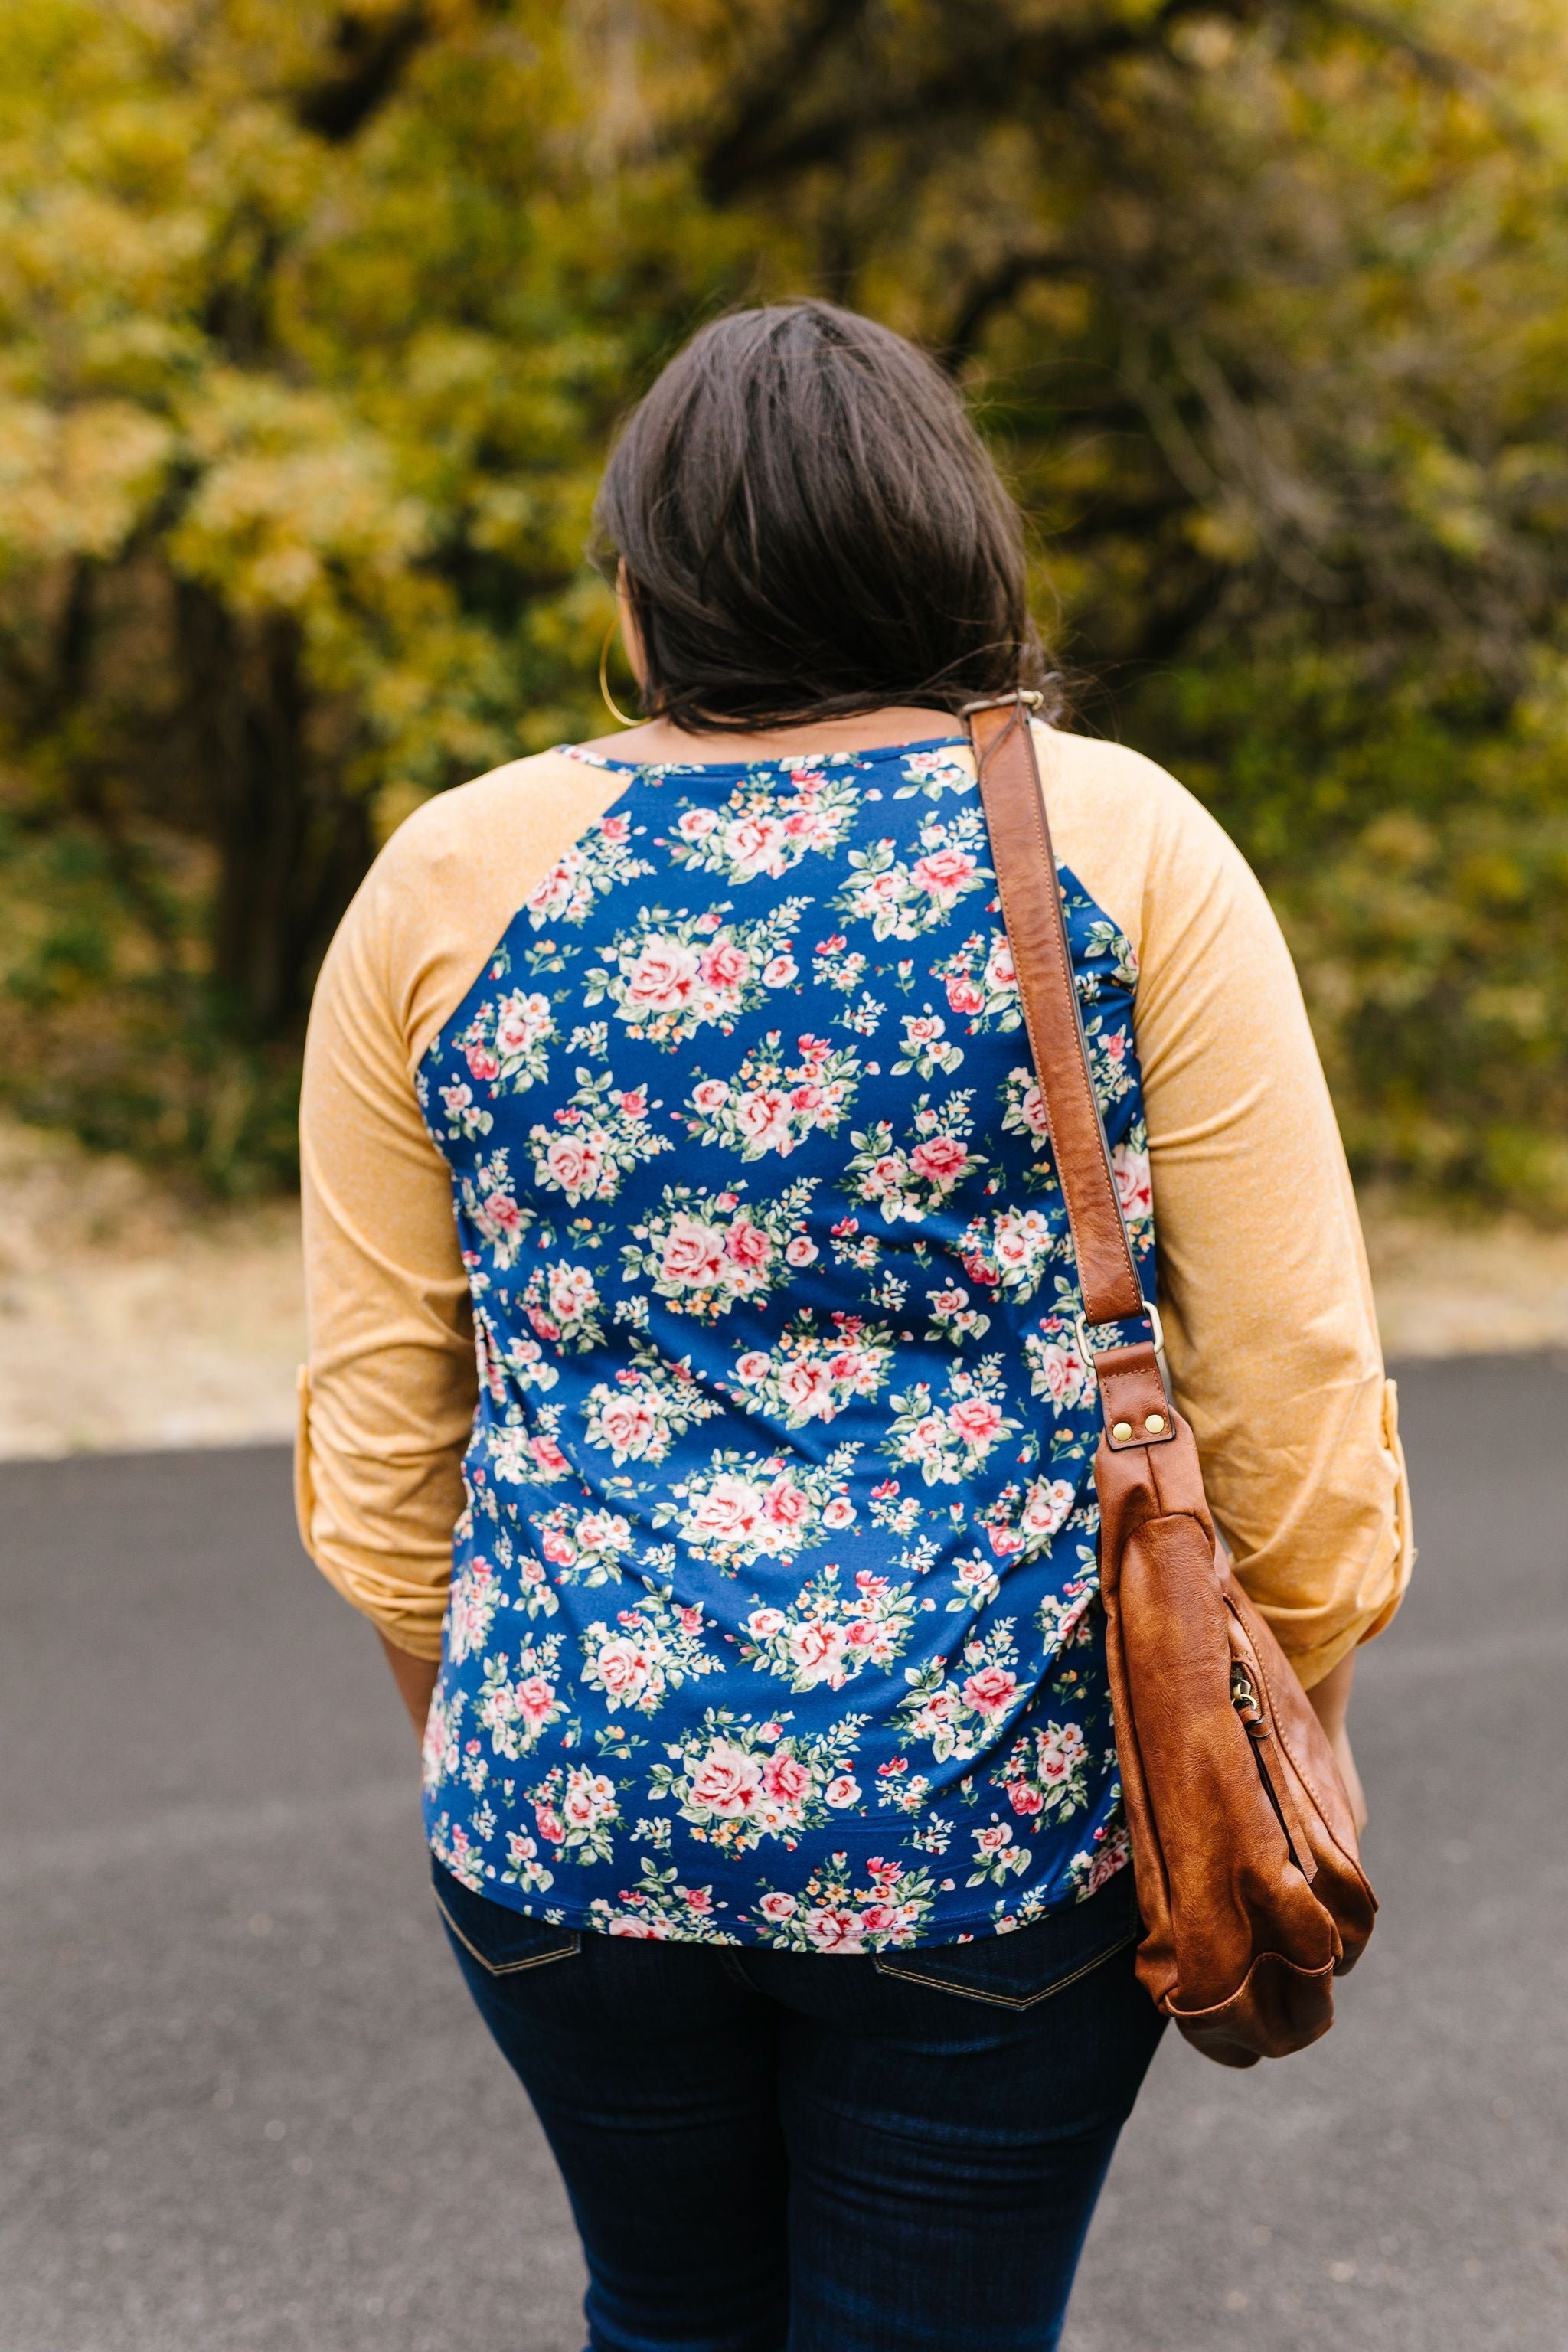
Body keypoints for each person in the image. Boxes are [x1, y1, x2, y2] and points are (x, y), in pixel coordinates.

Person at [296, 300, 1413, 2352]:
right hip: (1001, 1823)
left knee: (664, 2320)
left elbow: (379, 1451)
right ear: (958, 556)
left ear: (638, 592)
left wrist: (508, 1748)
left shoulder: (447, 878)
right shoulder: (1120, 842)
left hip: (564, 1816)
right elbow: (1294, 1390)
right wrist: (1302, 1694)